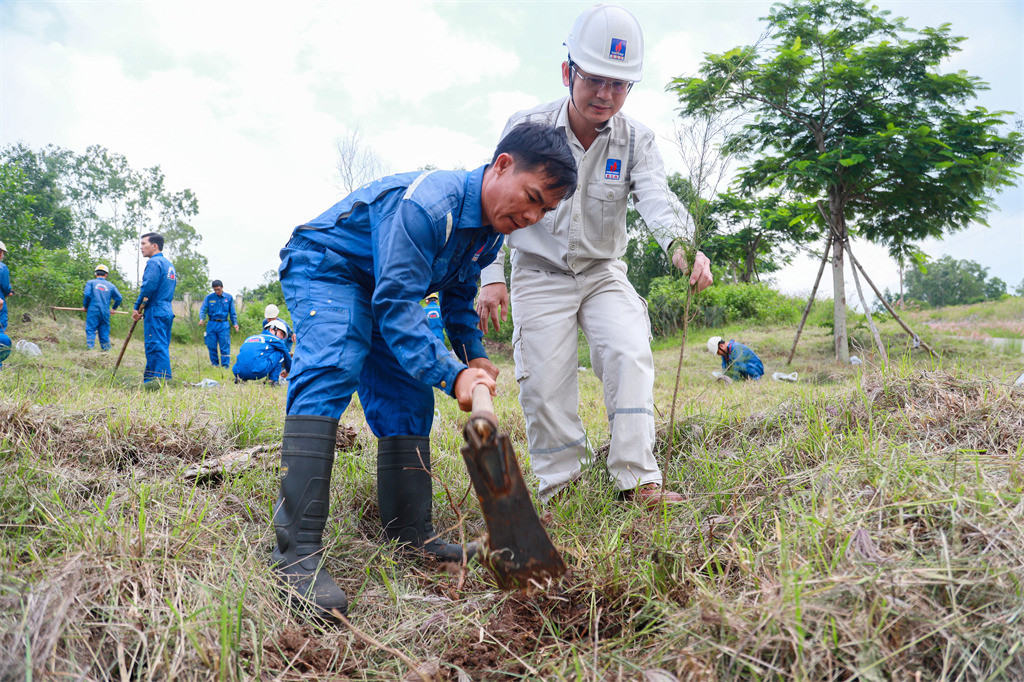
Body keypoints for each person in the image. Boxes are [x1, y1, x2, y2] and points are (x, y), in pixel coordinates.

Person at [272, 121, 577, 620]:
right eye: (531, 197)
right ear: (502, 165)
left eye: (544, 209)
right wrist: (452, 375)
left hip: (383, 286)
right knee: (337, 356)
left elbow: (458, 293)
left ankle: (410, 533)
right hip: (328, 266)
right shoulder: (428, 206)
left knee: (408, 396)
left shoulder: (490, 231)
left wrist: (472, 352)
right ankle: (294, 553)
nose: (532, 216)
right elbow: (395, 302)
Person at [476, 4, 714, 509]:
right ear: (568, 73)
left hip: (603, 271)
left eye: (620, 84)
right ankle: (565, 487)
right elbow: (493, 196)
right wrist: (491, 275)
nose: (605, 94)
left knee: (629, 350)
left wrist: (680, 245)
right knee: (544, 380)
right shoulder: (527, 126)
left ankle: (638, 479)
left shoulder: (637, 140)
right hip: (539, 272)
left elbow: (655, 197)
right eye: (595, 79)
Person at [132, 233, 177, 383]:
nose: (141, 247)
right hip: (166, 310)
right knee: (159, 346)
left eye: (144, 243)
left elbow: (148, 288)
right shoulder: (169, 265)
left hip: (156, 309)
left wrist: (137, 307)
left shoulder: (154, 262)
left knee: (155, 347)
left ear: (155, 246)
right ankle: (150, 381)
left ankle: (162, 382)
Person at [233, 319, 292, 385]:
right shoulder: (276, 339)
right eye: (281, 333)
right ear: (271, 329)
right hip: (257, 372)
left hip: (238, 372)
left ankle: (241, 380)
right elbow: (287, 355)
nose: (281, 337)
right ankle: (272, 381)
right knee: (280, 352)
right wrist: (288, 370)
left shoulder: (250, 338)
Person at [82, 264, 123, 351]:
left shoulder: (91, 283)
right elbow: (119, 298)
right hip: (105, 311)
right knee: (104, 330)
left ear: (96, 274)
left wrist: (85, 306)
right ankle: (106, 350)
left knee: (91, 329)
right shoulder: (111, 286)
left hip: (93, 310)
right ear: (106, 274)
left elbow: (87, 295)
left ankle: (90, 349)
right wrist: (113, 309)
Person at [199, 279, 239, 367]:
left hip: (223, 324)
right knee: (211, 345)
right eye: (215, 290)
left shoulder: (228, 298)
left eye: (218, 289)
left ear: (222, 287)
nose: (217, 291)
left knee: (224, 345)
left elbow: (232, 312)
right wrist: (202, 318)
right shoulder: (209, 298)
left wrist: (235, 323)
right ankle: (215, 364)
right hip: (212, 324)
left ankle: (225, 365)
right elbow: (203, 309)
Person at [0, 241, 11, 333]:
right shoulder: (2, 268)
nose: (3, 256)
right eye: (2, 253)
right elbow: (5, 286)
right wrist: (8, 292)